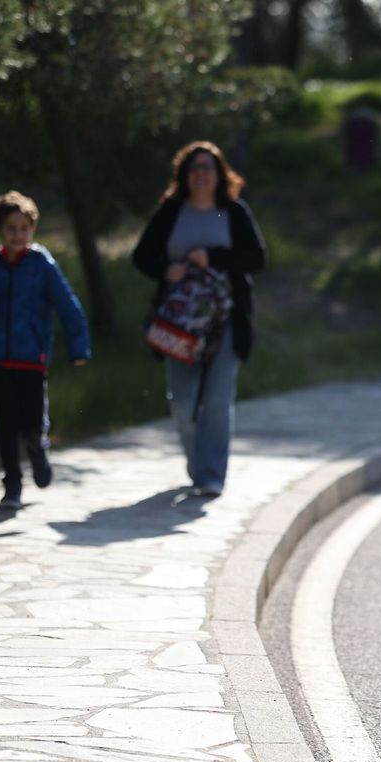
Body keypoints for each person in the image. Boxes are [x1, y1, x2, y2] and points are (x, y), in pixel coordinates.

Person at [131, 141, 266, 497]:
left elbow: (256, 258)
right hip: (179, 323)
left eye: (208, 167)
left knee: (218, 399)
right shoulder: (171, 212)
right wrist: (167, 269)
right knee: (182, 401)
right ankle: (197, 466)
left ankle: (211, 475)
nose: (201, 174)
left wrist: (214, 258)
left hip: (226, 321)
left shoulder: (232, 212)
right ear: (184, 175)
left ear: (220, 174)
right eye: (194, 168)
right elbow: (141, 256)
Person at [0, 191, 91, 510]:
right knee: (5, 423)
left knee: (31, 419)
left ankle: (37, 448)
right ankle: (12, 485)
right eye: (10, 228)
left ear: (33, 229)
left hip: (32, 357)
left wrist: (79, 344)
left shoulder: (43, 266)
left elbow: (68, 305)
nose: (17, 235)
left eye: (23, 228)